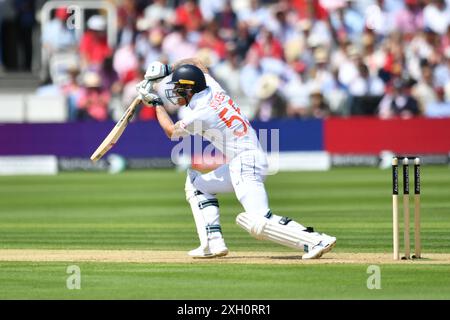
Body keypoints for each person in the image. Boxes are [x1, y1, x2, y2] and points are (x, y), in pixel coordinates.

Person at [135, 59, 337, 259]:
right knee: (197, 186)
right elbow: (198, 63)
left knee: (258, 221)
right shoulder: (212, 88)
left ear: (190, 89)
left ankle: (316, 240)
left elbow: (171, 132)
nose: (175, 92)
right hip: (247, 160)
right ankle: (212, 244)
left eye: (178, 88)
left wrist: (157, 103)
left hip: (244, 163)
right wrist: (168, 69)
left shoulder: (201, 113)